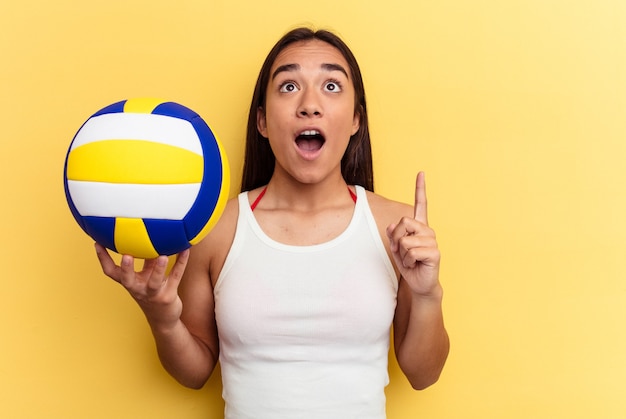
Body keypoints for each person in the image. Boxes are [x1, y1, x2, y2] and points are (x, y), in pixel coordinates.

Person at [95, 27, 449, 418]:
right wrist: (162, 318)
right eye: (288, 86)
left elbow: (422, 374)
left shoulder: (396, 227)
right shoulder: (218, 229)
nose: (310, 104)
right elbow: (194, 372)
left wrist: (427, 294)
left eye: (331, 86)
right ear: (262, 121)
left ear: (355, 120)